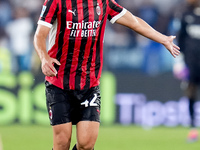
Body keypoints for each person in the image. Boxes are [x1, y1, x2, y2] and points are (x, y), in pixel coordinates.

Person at [33, 0, 180, 149]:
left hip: (89, 84)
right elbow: (39, 35)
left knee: (86, 144)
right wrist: (44, 57)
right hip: (59, 81)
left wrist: (163, 39)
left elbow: (134, 21)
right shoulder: (56, 2)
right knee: (62, 143)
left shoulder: (103, 2)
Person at [175, 0, 200, 142]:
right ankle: (193, 129)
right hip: (191, 63)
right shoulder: (185, 14)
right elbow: (180, 40)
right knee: (191, 92)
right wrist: (179, 62)